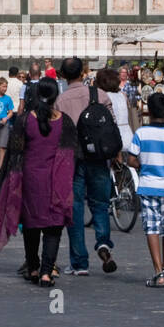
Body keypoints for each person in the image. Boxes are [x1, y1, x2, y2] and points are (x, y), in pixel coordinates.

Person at [0, 78, 77, 285]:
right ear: (56, 96)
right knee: (54, 227)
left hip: (30, 179)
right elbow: (72, 153)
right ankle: (47, 272)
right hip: (57, 180)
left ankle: (33, 267)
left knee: (31, 225)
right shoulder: (65, 121)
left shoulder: (25, 120)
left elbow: (15, 153)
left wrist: (8, 180)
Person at [56, 58, 117, 276]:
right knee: (100, 203)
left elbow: (59, 134)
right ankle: (103, 243)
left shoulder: (61, 100)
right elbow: (112, 125)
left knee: (75, 208)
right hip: (98, 157)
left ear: (63, 75)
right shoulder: (99, 95)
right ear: (83, 72)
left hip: (73, 159)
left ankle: (79, 262)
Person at [126, 91, 164, 287]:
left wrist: (143, 165)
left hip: (148, 187)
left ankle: (158, 271)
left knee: (151, 229)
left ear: (148, 112)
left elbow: (131, 159)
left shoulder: (141, 134)